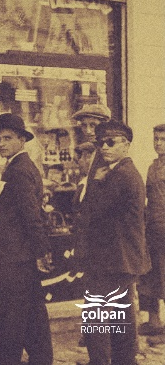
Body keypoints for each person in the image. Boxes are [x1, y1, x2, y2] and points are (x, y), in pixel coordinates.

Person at [79, 120, 150, 365]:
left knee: (94, 316)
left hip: (112, 259)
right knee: (122, 316)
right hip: (121, 258)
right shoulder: (119, 172)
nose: (104, 147)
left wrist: (95, 182)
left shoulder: (121, 176)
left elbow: (93, 210)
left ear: (126, 145)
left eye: (111, 142)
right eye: (101, 143)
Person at [0, 113, 53, 365]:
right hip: (21, 253)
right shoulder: (18, 166)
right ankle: (42, 358)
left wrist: (41, 251)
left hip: (17, 256)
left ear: (22, 140)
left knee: (11, 316)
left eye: (8, 138)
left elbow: (31, 215)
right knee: (33, 311)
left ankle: (6, 361)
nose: (1, 144)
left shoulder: (19, 171)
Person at [138, 124, 165, 339]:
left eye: (163, 139)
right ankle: (154, 321)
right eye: (156, 139)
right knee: (151, 274)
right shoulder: (152, 167)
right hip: (153, 228)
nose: (158, 143)